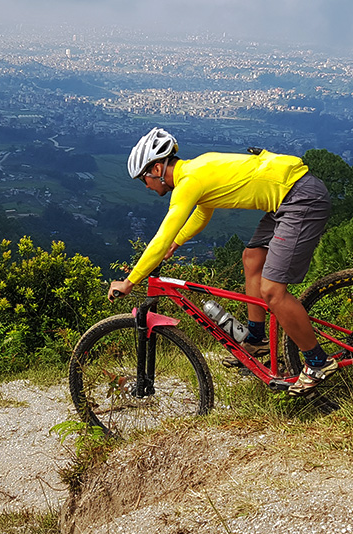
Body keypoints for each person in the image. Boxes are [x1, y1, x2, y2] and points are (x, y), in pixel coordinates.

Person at [108, 127, 333, 396]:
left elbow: (161, 234)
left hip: (300, 199)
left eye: (143, 178)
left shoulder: (190, 181)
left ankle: (318, 362)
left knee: (272, 291)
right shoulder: (197, 168)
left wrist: (130, 281)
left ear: (157, 169)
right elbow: (203, 214)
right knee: (251, 259)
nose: (145, 185)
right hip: (285, 199)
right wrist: (176, 243)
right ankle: (256, 339)